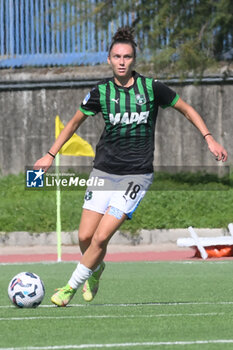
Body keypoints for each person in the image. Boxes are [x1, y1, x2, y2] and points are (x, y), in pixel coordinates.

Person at [34, 26, 228, 307]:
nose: (122, 61)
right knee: (85, 236)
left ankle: (69, 287)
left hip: (136, 175)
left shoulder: (152, 88)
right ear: (109, 60)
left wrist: (209, 138)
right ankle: (96, 268)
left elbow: (187, 109)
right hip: (103, 171)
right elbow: (74, 123)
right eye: (117, 56)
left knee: (101, 236)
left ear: (134, 59)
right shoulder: (100, 92)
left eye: (127, 56)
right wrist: (49, 155)